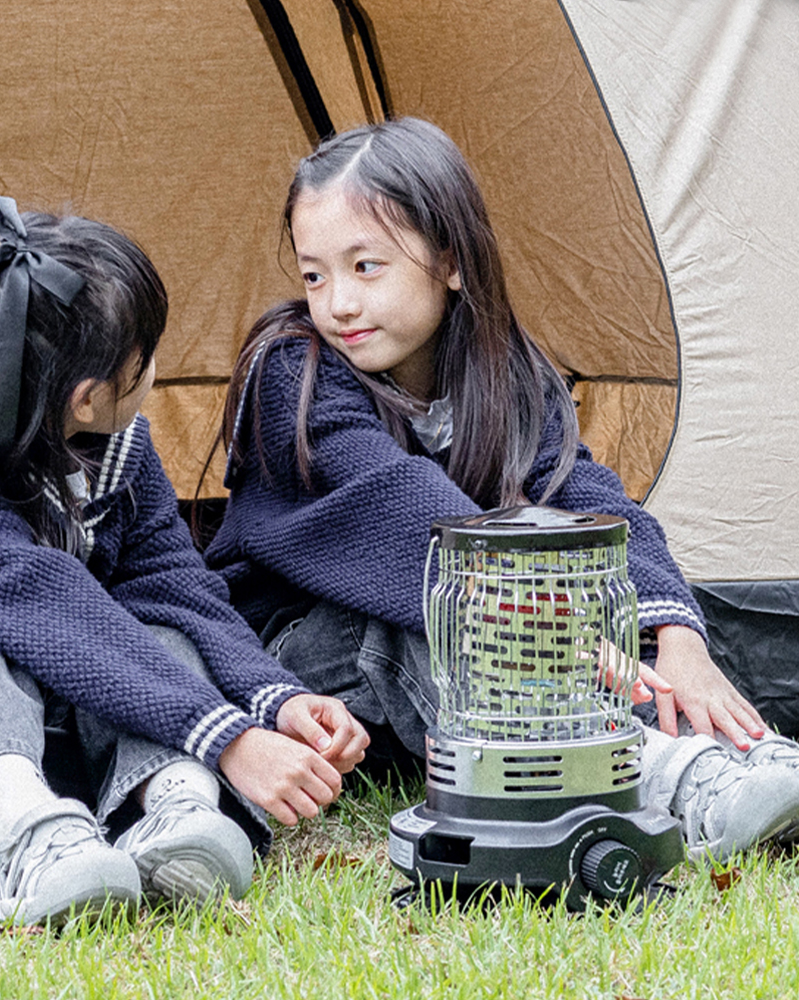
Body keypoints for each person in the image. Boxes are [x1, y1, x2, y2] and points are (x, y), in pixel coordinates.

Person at [205, 117, 799, 863]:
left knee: (644, 617)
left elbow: (586, 495)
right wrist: (555, 620)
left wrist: (674, 631)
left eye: (366, 267)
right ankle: (665, 779)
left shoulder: (507, 374)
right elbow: (398, 507)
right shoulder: (290, 372)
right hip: (306, 659)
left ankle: (742, 753)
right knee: (441, 608)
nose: (340, 305)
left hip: (488, 650)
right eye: (315, 274)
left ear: (450, 263)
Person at [0, 195, 368, 927]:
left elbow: (177, 587)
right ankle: (33, 833)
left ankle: (176, 804)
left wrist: (271, 698)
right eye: (147, 358)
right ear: (88, 397)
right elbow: (53, 606)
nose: (158, 369)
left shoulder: (120, 450)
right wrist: (229, 736)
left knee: (154, 628)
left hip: (94, 699)